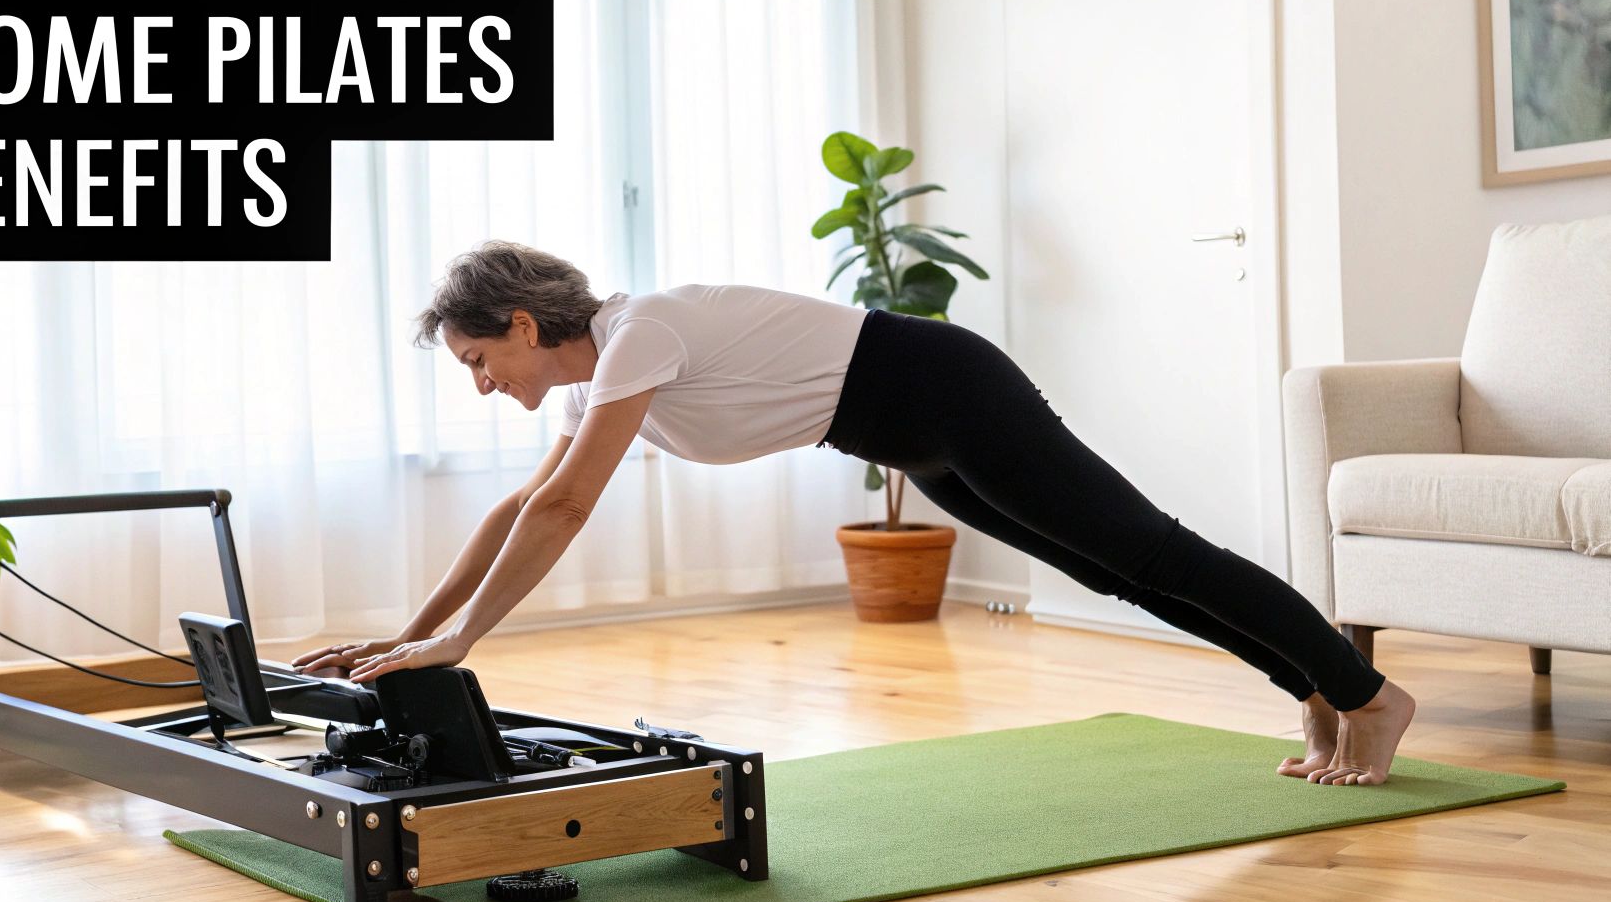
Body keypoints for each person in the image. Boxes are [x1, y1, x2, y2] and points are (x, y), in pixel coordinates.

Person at [293, 240, 1417, 786]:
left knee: (1147, 546)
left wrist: (462, 637)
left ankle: (1368, 693)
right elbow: (527, 501)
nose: (481, 381)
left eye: (480, 358)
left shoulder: (641, 332)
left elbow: (569, 505)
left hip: (941, 387)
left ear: (527, 323)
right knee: (1117, 572)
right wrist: (416, 632)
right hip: (899, 431)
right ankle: (1310, 685)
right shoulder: (599, 380)